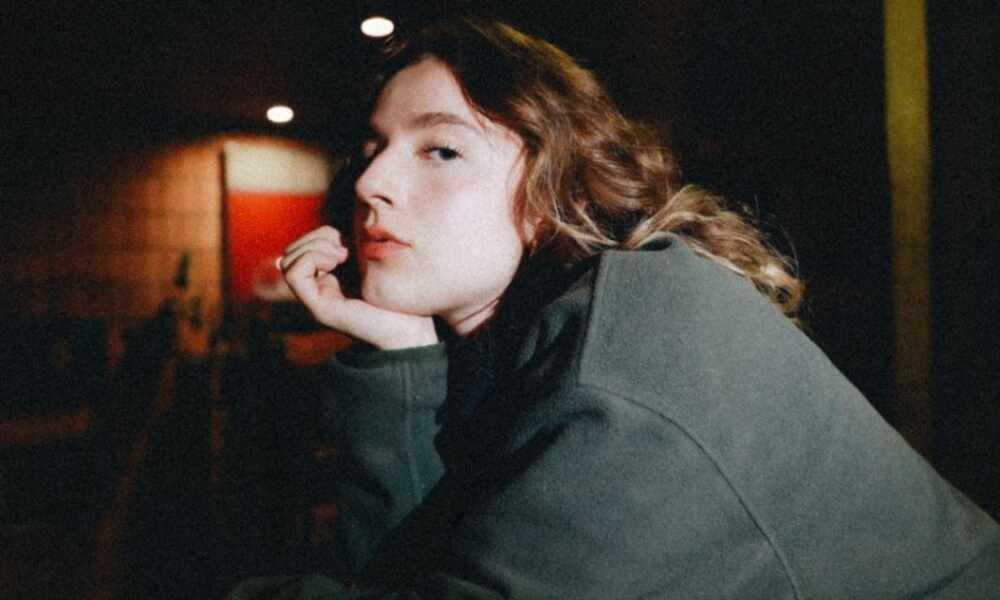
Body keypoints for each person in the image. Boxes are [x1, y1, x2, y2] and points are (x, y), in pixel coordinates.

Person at [230, 17, 1000, 599]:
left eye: (441, 150)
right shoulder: (511, 349)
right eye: (372, 150)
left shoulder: (643, 335)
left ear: (553, 186)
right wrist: (399, 356)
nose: (370, 183)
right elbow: (404, 571)